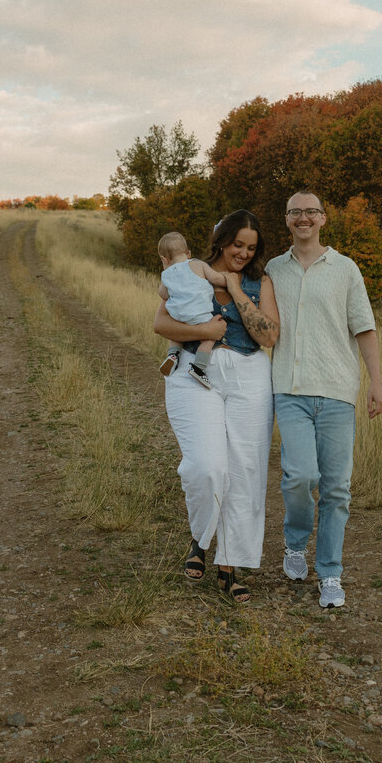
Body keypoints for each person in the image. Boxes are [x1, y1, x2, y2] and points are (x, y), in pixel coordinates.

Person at [266, 191, 382, 609]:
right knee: (299, 475)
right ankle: (295, 544)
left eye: (310, 212)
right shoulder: (272, 270)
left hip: (337, 390)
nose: (303, 218)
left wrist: (376, 383)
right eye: (295, 211)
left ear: (323, 219)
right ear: (287, 219)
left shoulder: (346, 269)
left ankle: (330, 572)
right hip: (289, 388)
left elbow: (364, 329)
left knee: (336, 488)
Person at [153, 211, 279, 603]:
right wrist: (205, 331)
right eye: (237, 244)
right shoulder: (191, 269)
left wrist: (238, 290)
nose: (243, 252)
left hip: (249, 374)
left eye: (251, 247)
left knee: (246, 472)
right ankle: (201, 536)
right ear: (221, 240)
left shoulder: (261, 282)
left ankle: (230, 566)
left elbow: (270, 336)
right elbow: (161, 323)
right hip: (196, 372)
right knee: (207, 466)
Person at [157, 231, 229, 386]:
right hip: (201, 316)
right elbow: (216, 279)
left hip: (179, 316)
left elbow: (163, 294)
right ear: (188, 253)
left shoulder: (167, 274)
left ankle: (173, 355)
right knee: (209, 338)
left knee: (176, 334)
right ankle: (198, 367)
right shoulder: (198, 264)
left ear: (164, 259)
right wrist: (228, 280)